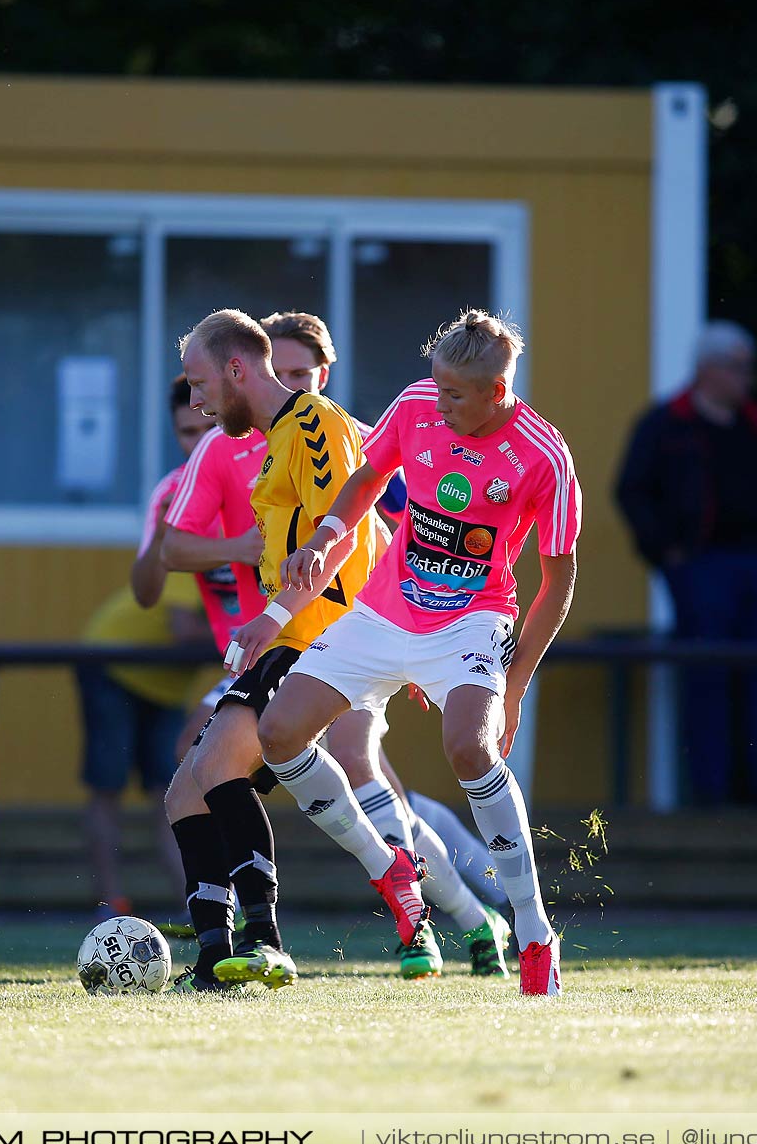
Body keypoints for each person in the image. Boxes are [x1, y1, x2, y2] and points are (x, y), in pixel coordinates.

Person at [163, 311, 509, 983]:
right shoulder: (269, 445)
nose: (196, 403)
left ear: (240, 370)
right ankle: (214, 954)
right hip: (291, 638)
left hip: (317, 637)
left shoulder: (317, 426)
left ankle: (263, 939)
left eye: (200, 384)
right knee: (188, 789)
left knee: (229, 772)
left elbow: (343, 535)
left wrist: (285, 615)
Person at [262, 309, 581, 997]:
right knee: (279, 732)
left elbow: (559, 580)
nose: (438, 403)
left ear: (497, 392)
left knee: (470, 749)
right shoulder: (415, 404)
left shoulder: (544, 454)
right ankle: (389, 868)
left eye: (455, 395)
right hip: (382, 610)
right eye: (436, 388)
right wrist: (325, 537)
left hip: (472, 623)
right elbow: (367, 479)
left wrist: (517, 683)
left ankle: (531, 929)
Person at [614, 321, 757, 807]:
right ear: (708, 370)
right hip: (702, 568)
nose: (748, 378)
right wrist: (667, 554)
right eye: (739, 368)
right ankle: (711, 794)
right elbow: (631, 491)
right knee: (707, 676)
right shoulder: (665, 424)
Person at [77, 379, 216, 913]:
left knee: (175, 791)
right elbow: (184, 627)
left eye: (212, 427)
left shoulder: (245, 486)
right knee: (107, 786)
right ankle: (110, 901)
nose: (201, 441)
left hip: (167, 677)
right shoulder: (182, 497)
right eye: (188, 431)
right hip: (115, 659)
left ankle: (196, 904)